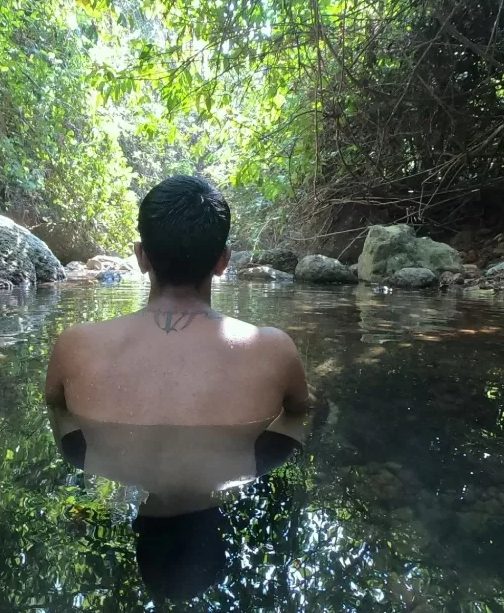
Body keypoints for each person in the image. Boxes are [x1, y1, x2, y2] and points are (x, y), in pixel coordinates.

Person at [44, 174, 311, 428]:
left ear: (141, 256)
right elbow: (301, 413)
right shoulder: (274, 351)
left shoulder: (74, 346)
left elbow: (57, 413)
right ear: (224, 260)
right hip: (235, 472)